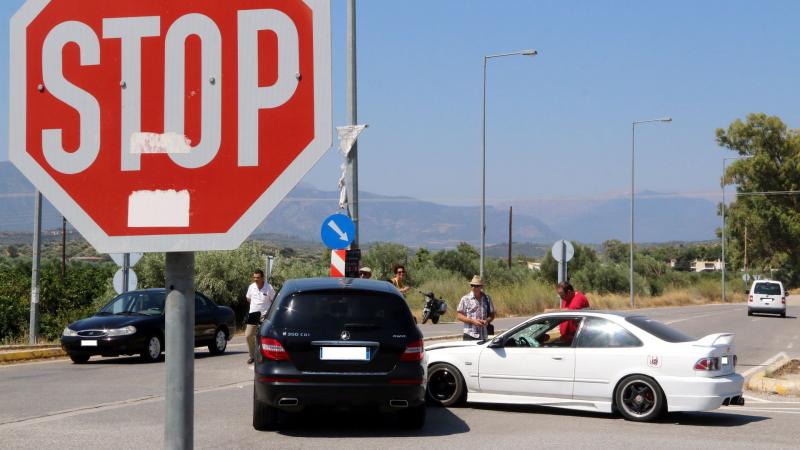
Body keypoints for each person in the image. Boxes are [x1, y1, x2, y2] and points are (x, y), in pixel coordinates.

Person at [245, 269, 276, 364]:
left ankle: (267, 355)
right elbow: (248, 299)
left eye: (258, 277)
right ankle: (252, 356)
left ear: (262, 278)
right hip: (253, 314)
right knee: (248, 335)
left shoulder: (269, 288)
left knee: (265, 336)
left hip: (264, 315)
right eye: (254, 277)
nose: (255, 279)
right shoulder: (251, 287)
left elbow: (274, 301)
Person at [457, 275, 496, 341]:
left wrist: (486, 321)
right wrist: (473, 321)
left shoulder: (487, 298)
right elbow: (459, 315)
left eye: (477, 286)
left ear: (481, 286)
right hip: (470, 335)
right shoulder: (465, 299)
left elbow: (492, 314)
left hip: (484, 335)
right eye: (472, 285)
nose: (474, 287)